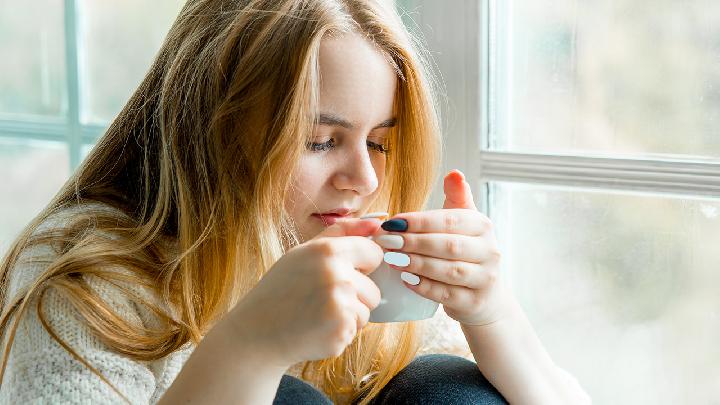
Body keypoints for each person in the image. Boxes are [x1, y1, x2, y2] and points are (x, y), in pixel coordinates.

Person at [0, 0, 590, 403]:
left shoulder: (367, 262)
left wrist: (491, 313)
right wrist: (252, 344)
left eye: (380, 142)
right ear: (211, 133)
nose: (362, 177)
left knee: (446, 387)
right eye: (319, 141)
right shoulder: (89, 282)